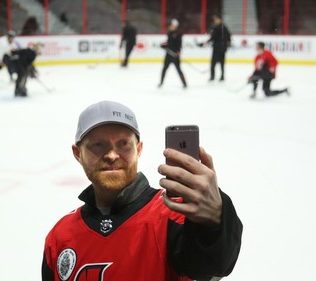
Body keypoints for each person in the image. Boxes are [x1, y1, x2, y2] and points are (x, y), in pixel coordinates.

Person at [42, 101, 243, 280]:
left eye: (123, 144)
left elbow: (209, 267)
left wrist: (213, 221)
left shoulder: (177, 213)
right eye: (98, 145)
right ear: (78, 153)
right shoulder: (60, 236)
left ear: (138, 149)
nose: (112, 155)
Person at [201, 15, 231, 82]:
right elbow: (213, 38)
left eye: (217, 19)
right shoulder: (220, 27)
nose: (215, 21)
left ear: (220, 20)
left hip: (220, 49)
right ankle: (213, 76)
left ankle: (221, 76)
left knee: (220, 63)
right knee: (215, 63)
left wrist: (227, 45)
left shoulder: (221, 28)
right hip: (218, 48)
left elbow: (228, 37)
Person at [159, 19, 187, 88]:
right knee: (164, 69)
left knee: (179, 70)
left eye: (171, 25)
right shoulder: (169, 33)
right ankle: (161, 82)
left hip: (175, 55)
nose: (170, 27)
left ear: (175, 26)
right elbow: (169, 43)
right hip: (168, 54)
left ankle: (184, 83)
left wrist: (178, 52)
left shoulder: (178, 34)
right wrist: (164, 46)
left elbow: (179, 45)